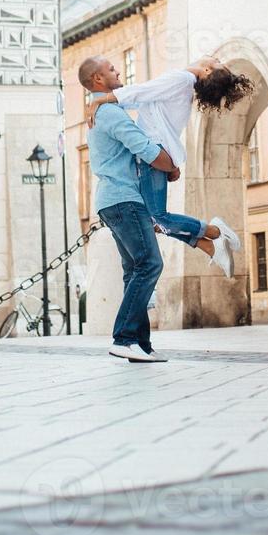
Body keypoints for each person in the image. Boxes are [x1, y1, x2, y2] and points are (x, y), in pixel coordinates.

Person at [85, 56, 252, 279]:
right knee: (153, 221)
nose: (216, 57)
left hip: (152, 154)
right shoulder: (183, 85)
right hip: (158, 154)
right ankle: (209, 246)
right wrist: (110, 102)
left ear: (207, 69)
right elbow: (143, 100)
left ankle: (216, 231)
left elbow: (142, 91)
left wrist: (100, 100)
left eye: (217, 61)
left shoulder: (180, 79)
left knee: (159, 218)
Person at [79, 55, 178, 363]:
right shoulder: (110, 113)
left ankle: (140, 344)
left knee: (133, 270)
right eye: (111, 69)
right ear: (97, 79)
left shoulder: (103, 111)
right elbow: (146, 149)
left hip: (111, 201)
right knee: (150, 264)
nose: (118, 71)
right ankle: (123, 338)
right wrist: (172, 167)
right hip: (124, 200)